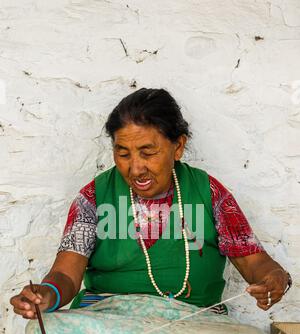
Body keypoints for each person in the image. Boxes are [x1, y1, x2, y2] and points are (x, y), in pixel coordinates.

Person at [10, 88, 292, 322]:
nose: (135, 169)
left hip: (194, 325)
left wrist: (273, 277)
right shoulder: (93, 198)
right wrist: (46, 294)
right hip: (107, 325)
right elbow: (65, 274)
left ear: (178, 146)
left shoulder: (210, 194)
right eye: (123, 154)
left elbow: (254, 262)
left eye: (148, 153)